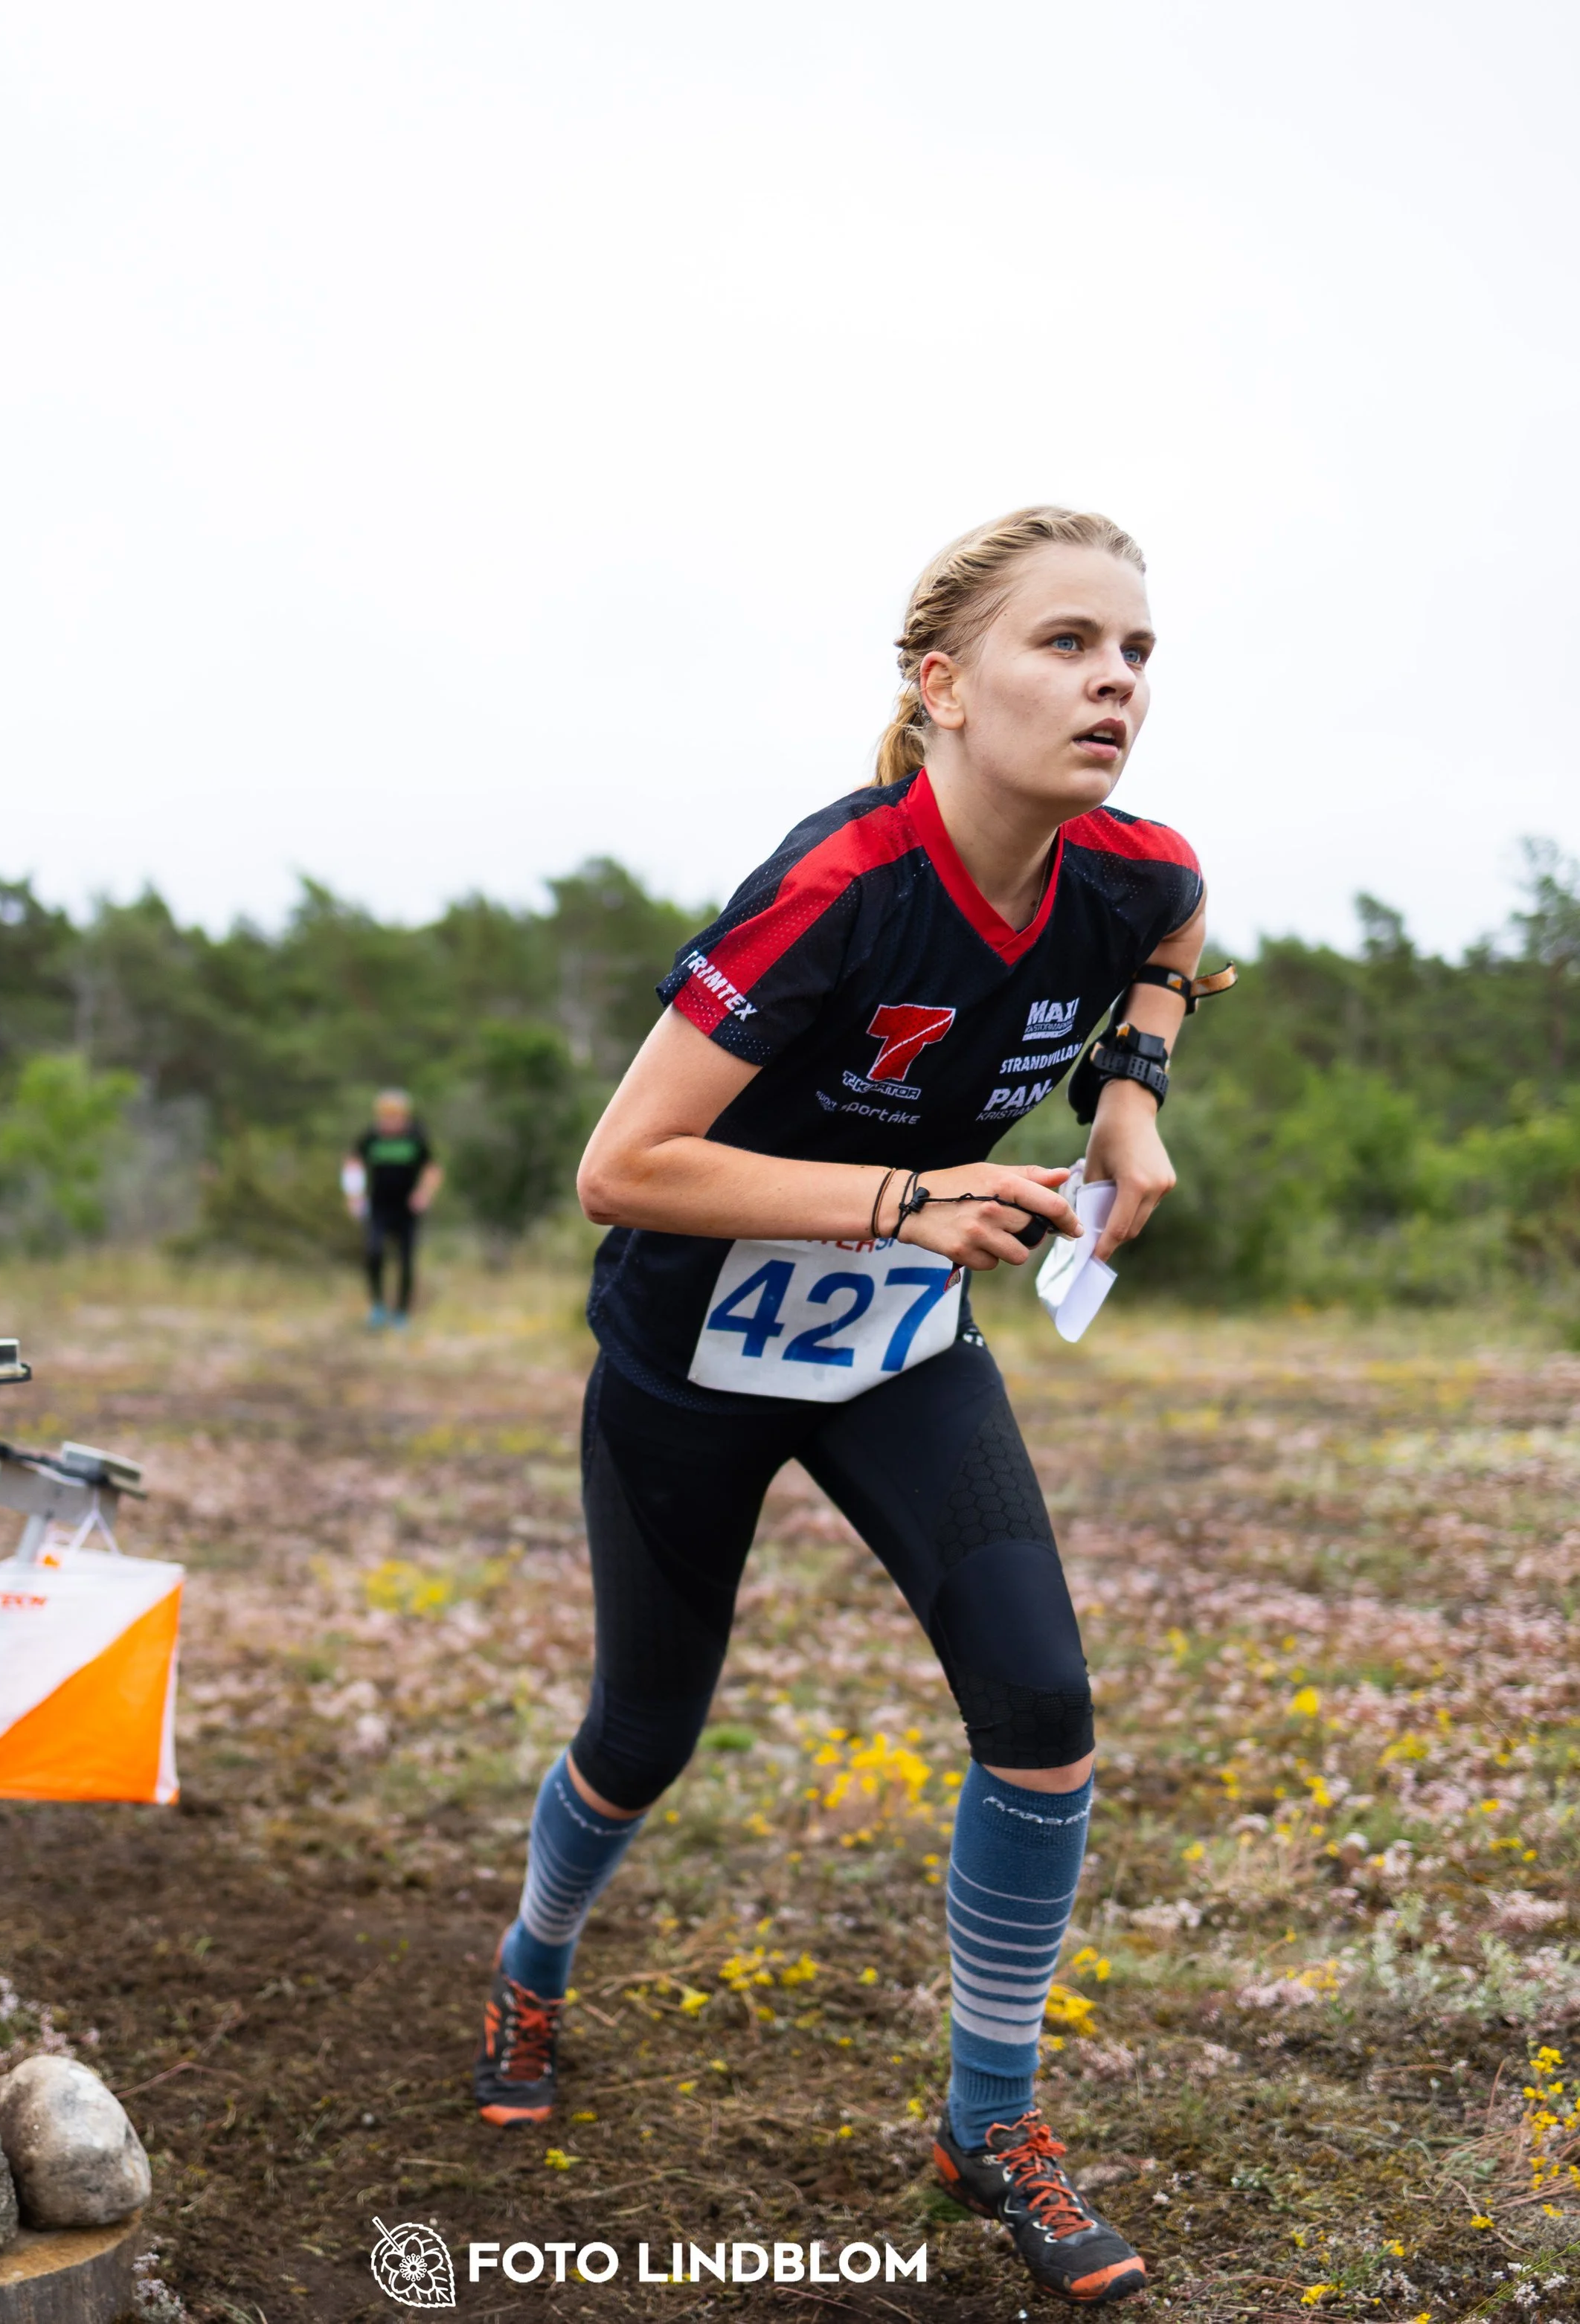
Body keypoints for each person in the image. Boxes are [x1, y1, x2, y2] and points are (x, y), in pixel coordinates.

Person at [472, 508, 1231, 2307]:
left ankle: (988, 2118)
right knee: (645, 1730)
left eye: (1135, 651)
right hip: (689, 1356)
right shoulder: (839, 883)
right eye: (1066, 643)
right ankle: (530, 1962)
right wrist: (904, 1196)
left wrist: (1129, 1094)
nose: (1115, 681)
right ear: (942, 686)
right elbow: (618, 1166)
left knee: (1042, 1710)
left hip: (896, 1347)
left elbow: (1178, 928)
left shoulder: (1132, 870)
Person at [342, 1090, 442, 1329]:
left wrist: (424, 1194)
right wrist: (354, 1195)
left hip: (407, 1210)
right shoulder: (371, 1137)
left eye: (395, 1115)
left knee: (406, 1260)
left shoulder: (416, 1137)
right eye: (386, 1115)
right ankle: (377, 1306)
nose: (390, 1120)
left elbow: (432, 1168)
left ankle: (402, 1313)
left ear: (405, 1116)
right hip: (379, 1207)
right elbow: (353, 1163)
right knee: (374, 1252)